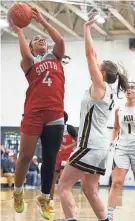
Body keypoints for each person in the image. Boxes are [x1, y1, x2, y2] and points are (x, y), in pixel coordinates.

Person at [57, 14, 129, 221]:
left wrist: (87, 29)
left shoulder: (100, 87)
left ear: (103, 74)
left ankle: (70, 219)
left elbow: (90, 55)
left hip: (88, 145)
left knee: (63, 186)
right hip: (100, 148)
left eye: (99, 68)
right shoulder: (108, 91)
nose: (95, 66)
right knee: (90, 190)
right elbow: (94, 56)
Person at [8, 8, 65, 219]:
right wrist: (18, 30)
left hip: (55, 114)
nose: (41, 40)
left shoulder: (56, 56)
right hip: (33, 113)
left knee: (50, 158)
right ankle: (17, 191)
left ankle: (44, 197)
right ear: (32, 47)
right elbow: (25, 54)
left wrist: (42, 21)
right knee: (25, 156)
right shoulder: (29, 63)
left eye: (43, 39)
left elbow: (59, 40)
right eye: (36, 40)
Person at [107, 82, 135, 221]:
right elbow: (116, 128)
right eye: (127, 87)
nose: (129, 89)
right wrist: (111, 141)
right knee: (116, 182)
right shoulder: (119, 110)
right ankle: (109, 216)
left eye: (133, 87)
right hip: (122, 147)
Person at [49, 111, 77, 211]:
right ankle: (50, 203)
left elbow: (78, 141)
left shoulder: (69, 128)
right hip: (57, 157)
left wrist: (67, 147)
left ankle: (67, 205)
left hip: (67, 158)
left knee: (63, 182)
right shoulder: (54, 129)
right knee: (51, 181)